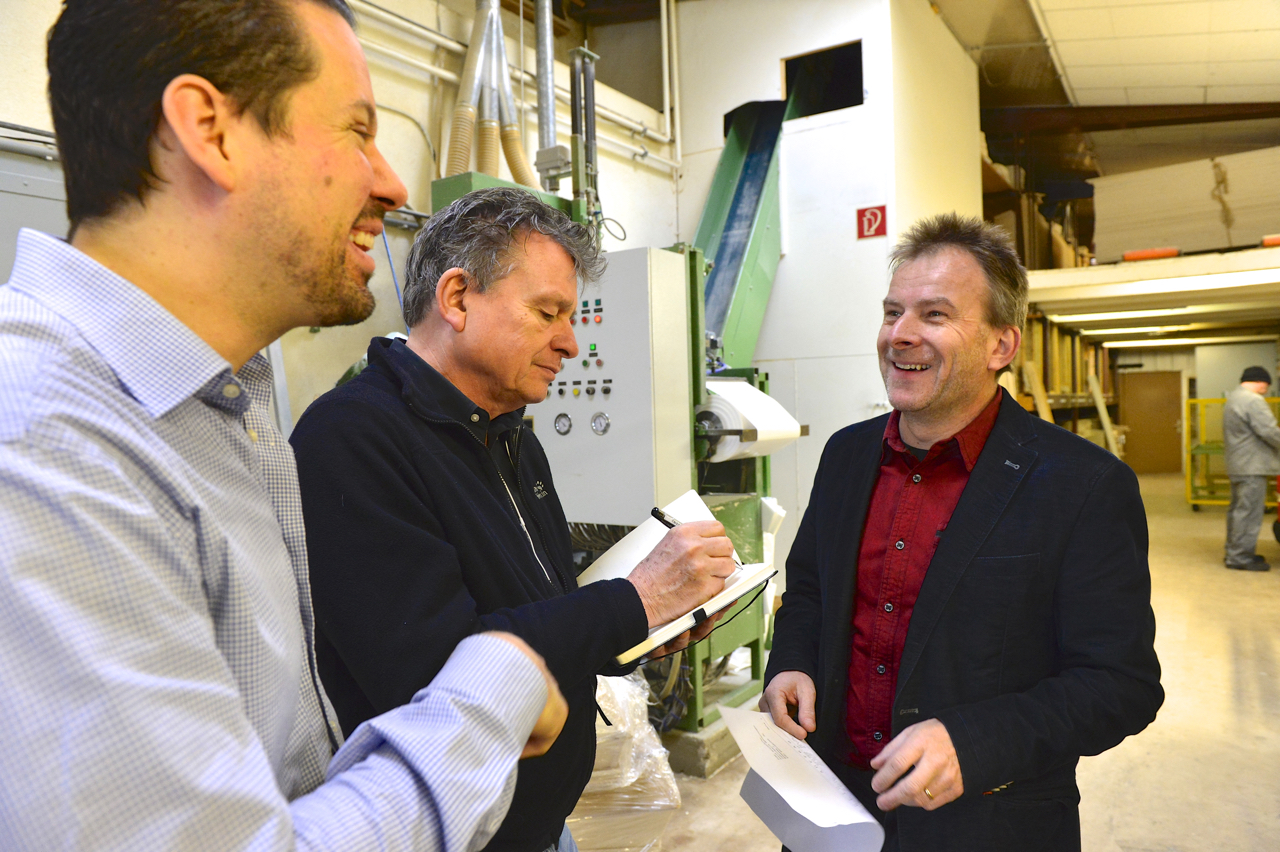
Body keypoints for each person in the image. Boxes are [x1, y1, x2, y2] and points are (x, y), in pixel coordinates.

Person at [0, 1, 570, 849]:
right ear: (210, 129)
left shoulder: (224, 405)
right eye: (357, 131)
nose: (393, 182)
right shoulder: (46, 439)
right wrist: (498, 683)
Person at [289, 187, 738, 852]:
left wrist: (636, 630)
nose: (571, 343)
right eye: (549, 312)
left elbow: (539, 610)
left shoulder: (512, 437)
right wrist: (630, 601)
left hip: (537, 826)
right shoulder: (352, 438)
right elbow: (441, 669)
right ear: (458, 298)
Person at [761, 213, 1163, 852]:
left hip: (988, 826)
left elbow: (1121, 685)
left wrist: (974, 745)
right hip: (831, 810)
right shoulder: (845, 455)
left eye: (935, 316)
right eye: (893, 312)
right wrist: (791, 663)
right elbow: (809, 588)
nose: (900, 335)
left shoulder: (1083, 485)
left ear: (1002, 346)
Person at [1222, 366, 1280, 571]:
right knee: (1249, 513)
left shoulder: (1234, 398)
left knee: (1238, 511)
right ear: (1261, 382)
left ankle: (1234, 551)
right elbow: (1269, 432)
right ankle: (1240, 557)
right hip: (1252, 466)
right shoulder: (1253, 400)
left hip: (1239, 464)